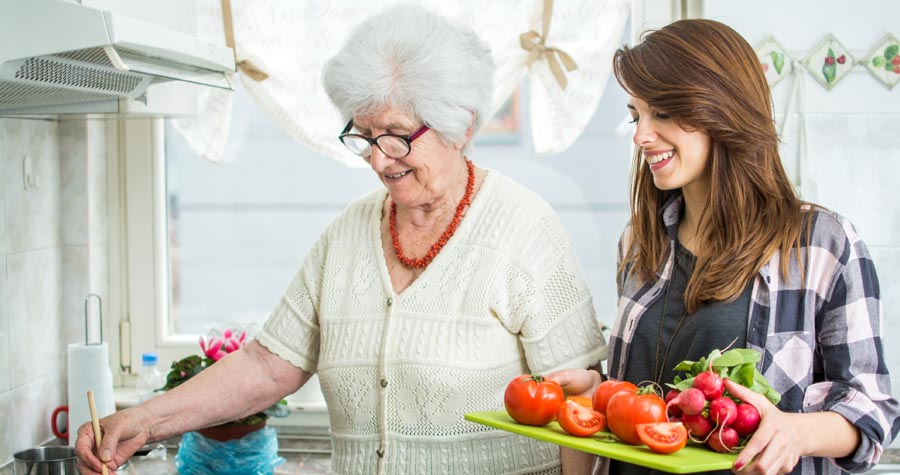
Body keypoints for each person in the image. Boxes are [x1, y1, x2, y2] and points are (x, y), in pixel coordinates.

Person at [74, 5, 607, 475]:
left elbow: (579, 398)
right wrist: (144, 420)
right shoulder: (349, 235)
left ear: (459, 125)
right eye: (364, 136)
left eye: (396, 136)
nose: (378, 160)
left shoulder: (524, 229)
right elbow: (267, 364)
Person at [549, 19, 900, 475]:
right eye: (637, 115)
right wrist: (598, 391)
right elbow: (653, 407)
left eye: (663, 113)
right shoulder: (639, 242)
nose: (640, 136)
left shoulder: (822, 244)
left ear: (721, 110)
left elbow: (872, 413)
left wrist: (795, 432)